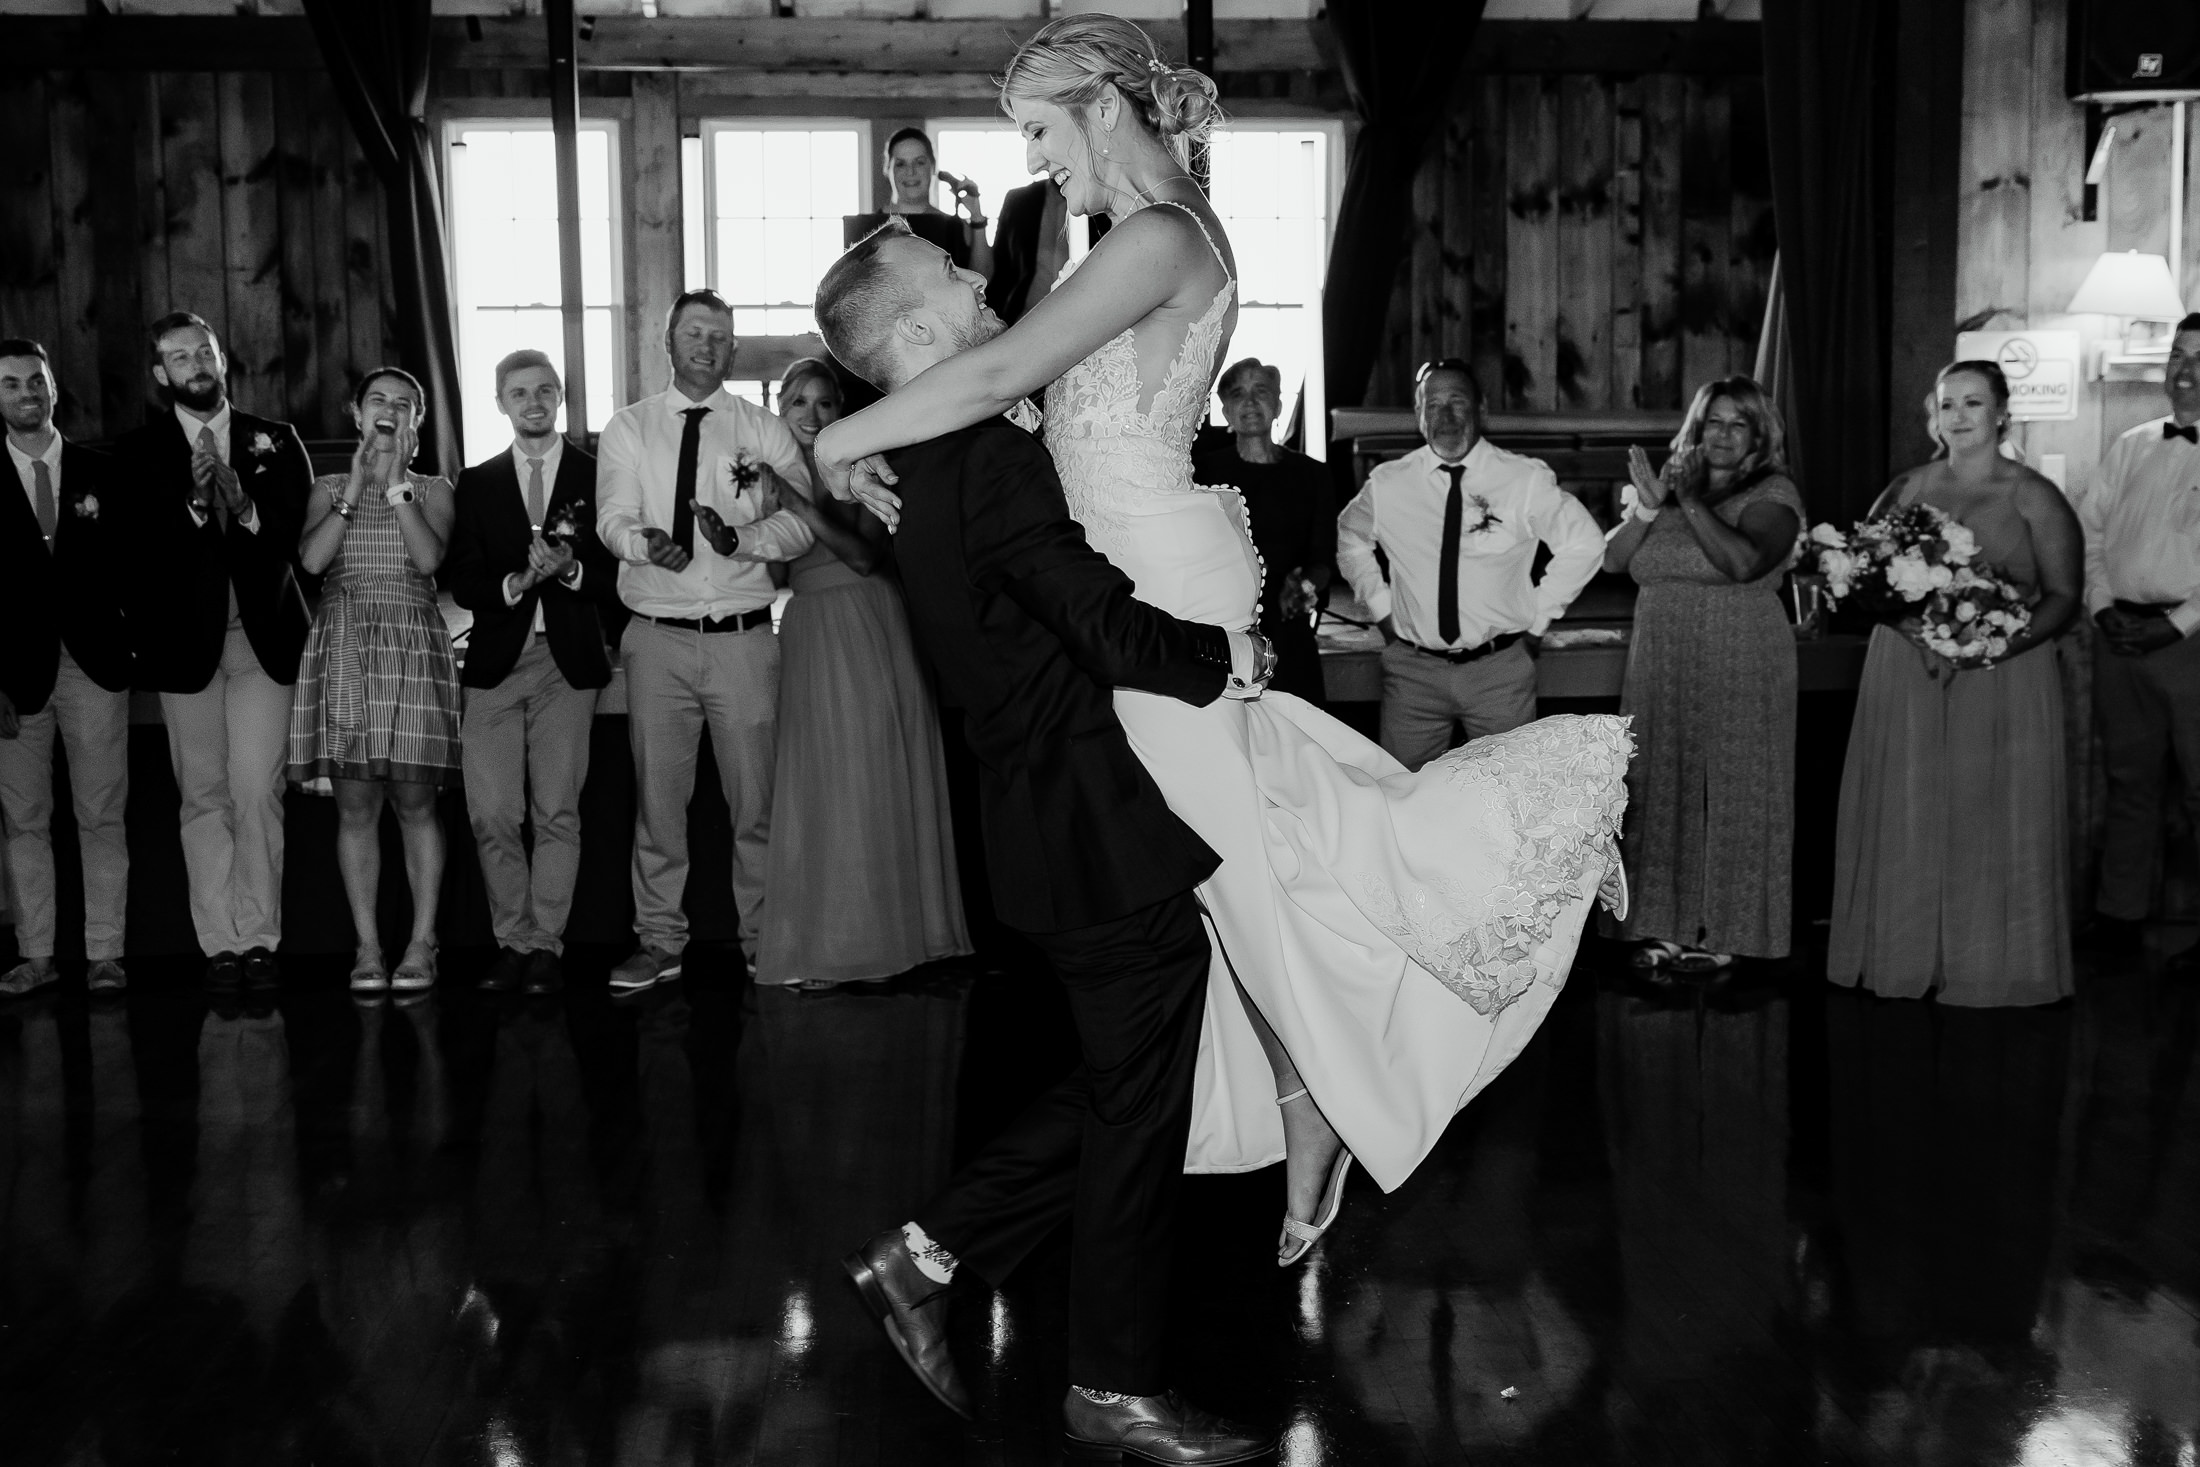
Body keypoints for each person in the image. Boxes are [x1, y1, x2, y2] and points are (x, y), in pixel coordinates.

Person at [813, 9, 1627, 1352]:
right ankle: (1305, 1127)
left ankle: (1306, 1127)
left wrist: (838, 432)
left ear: (1105, 111)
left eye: (1039, 133)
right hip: (1142, 570)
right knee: (1241, 879)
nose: (1034, 163)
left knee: (1250, 876)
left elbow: (1007, 369)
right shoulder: (1130, 236)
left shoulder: (1159, 237)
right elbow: (1015, 391)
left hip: (1150, 593)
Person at [814, 218, 1275, 1459]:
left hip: (1034, 816)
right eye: (953, 280)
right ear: (916, 334)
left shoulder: (910, 471)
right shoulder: (980, 460)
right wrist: (1223, 654)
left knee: (1137, 1075)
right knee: (1141, 1092)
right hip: (1088, 821)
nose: (979, 282)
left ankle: (930, 1257)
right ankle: (1103, 1379)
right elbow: (1101, 625)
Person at [1829, 360, 2084, 1006]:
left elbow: (2063, 596)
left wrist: (1990, 645)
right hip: (1907, 670)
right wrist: (1918, 630)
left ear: (2002, 413)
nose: (1961, 416)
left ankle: (1987, 963)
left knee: (1984, 811)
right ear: (1933, 416)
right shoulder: (1908, 487)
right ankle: (1909, 955)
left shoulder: (2034, 495)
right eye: (1949, 405)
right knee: (1910, 808)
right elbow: (1863, 579)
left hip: (2001, 675)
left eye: (1975, 403)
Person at [595, 289, 815, 994]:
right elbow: (610, 516)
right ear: (669, 341)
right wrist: (641, 543)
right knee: (659, 805)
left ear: (733, 348)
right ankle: (659, 941)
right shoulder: (629, 427)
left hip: (743, 641)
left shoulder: (762, 431)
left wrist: (743, 538)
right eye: (694, 332)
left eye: (720, 336)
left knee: (757, 803)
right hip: (656, 641)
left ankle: (764, 937)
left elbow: (801, 523)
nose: (707, 345)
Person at [755, 357, 970, 988]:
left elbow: (861, 554)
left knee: (868, 774)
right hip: (808, 629)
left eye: (825, 404)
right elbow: (773, 574)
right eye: (800, 404)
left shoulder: (858, 466)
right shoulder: (772, 475)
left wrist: (794, 502)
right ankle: (834, 942)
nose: (814, 416)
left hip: (865, 621)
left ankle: (881, 944)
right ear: (781, 411)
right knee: (823, 782)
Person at [120, 312, 314, 997]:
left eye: (203, 350)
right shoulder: (138, 454)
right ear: (159, 374)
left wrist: (245, 502)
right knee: (202, 796)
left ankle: (260, 935)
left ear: (223, 359)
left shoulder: (275, 440)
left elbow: (296, 539)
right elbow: (137, 554)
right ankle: (220, 943)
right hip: (182, 647)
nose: (194, 363)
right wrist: (199, 509)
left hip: (261, 642)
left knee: (256, 788)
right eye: (178, 356)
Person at [1603, 376, 1804, 974]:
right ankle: (1658, 925)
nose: (1722, 435)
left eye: (1737, 424)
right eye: (1713, 422)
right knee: (1658, 785)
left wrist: (1687, 500)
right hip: (1662, 657)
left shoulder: (1773, 493)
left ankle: (1726, 932)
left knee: (1734, 790)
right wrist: (1647, 504)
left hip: (1739, 655)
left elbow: (1744, 562)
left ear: (1758, 436)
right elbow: (1616, 560)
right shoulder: (1665, 491)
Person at [1336, 357, 1607, 771]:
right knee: (1402, 795)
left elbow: (1584, 543)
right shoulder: (1389, 483)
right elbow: (1350, 536)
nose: (1445, 416)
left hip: (1498, 672)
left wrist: (1538, 621)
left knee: (1508, 798)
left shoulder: (1522, 479)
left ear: (1481, 409)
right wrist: (1381, 610)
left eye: (1457, 402)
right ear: (1418, 414)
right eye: (1433, 404)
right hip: (1412, 673)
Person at [447, 350, 619, 997]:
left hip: (567, 662)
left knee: (557, 812)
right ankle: (511, 939)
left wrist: (570, 572)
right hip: (495, 664)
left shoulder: (597, 475)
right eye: (520, 392)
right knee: (492, 812)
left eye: (546, 390)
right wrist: (517, 581)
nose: (535, 401)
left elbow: (616, 576)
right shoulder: (477, 482)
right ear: (500, 402)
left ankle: (542, 946)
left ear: (562, 396)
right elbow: (462, 579)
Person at [290, 367, 461, 994]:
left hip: (413, 646)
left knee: (416, 804)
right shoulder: (329, 486)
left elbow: (428, 559)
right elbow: (311, 560)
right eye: (377, 401)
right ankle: (367, 947)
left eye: (403, 404)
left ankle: (422, 941)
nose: (389, 411)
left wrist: (393, 488)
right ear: (357, 415)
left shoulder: (435, 488)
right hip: (345, 647)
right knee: (356, 806)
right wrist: (357, 487)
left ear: (416, 421)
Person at [0, 340, 134, 998]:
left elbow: (134, 570)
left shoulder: (99, 472)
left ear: (54, 390)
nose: (26, 391)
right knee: (24, 819)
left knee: (102, 814)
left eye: (36, 380)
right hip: (12, 679)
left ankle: (106, 951)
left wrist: (130, 643)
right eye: (10, 383)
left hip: (95, 666)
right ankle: (37, 953)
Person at [2080, 312, 2200, 968]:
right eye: (2177, 356)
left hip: (2192, 640)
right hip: (2119, 635)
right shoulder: (2129, 445)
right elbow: (2090, 534)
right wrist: (2101, 607)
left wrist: (2175, 624)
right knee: (2129, 782)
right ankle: (2120, 919)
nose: (2184, 372)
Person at [1193, 356, 1334, 704]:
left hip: (1289, 620)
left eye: (1261, 391)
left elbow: (1323, 560)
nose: (1251, 402)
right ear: (1225, 411)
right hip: (1225, 626)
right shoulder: (1204, 473)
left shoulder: (1313, 474)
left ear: (1278, 405)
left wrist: (1303, 585)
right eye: (1238, 394)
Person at [842, 127, 995, 279]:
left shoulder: (955, 227)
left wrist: (977, 216)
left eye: (919, 162)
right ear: (887, 169)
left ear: (933, 167)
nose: (911, 172)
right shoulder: (865, 230)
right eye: (901, 164)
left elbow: (983, 277)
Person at [989, 177, 1107, 324]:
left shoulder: (1101, 202)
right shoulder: (1019, 200)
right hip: (1022, 320)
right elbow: (1001, 266)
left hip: (1084, 322)